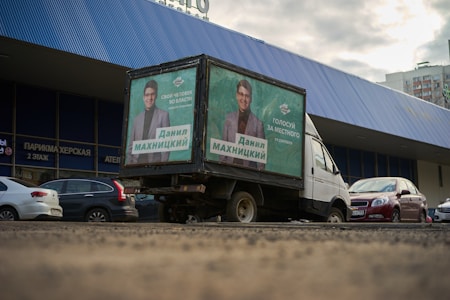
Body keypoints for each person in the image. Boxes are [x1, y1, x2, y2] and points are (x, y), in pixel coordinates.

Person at [221, 79, 265, 169]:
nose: (244, 99)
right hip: (228, 171)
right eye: (241, 94)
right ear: (237, 96)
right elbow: (223, 150)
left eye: (247, 96)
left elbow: (261, 160)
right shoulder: (228, 119)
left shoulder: (258, 124)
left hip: (248, 175)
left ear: (251, 98)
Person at [127, 79, 170, 164]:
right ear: (143, 97)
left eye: (152, 94)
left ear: (156, 96)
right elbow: (131, 147)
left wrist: (162, 168)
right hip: (136, 165)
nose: (149, 98)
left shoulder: (163, 115)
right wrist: (130, 165)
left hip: (155, 167)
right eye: (147, 95)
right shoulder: (137, 119)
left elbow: (166, 146)